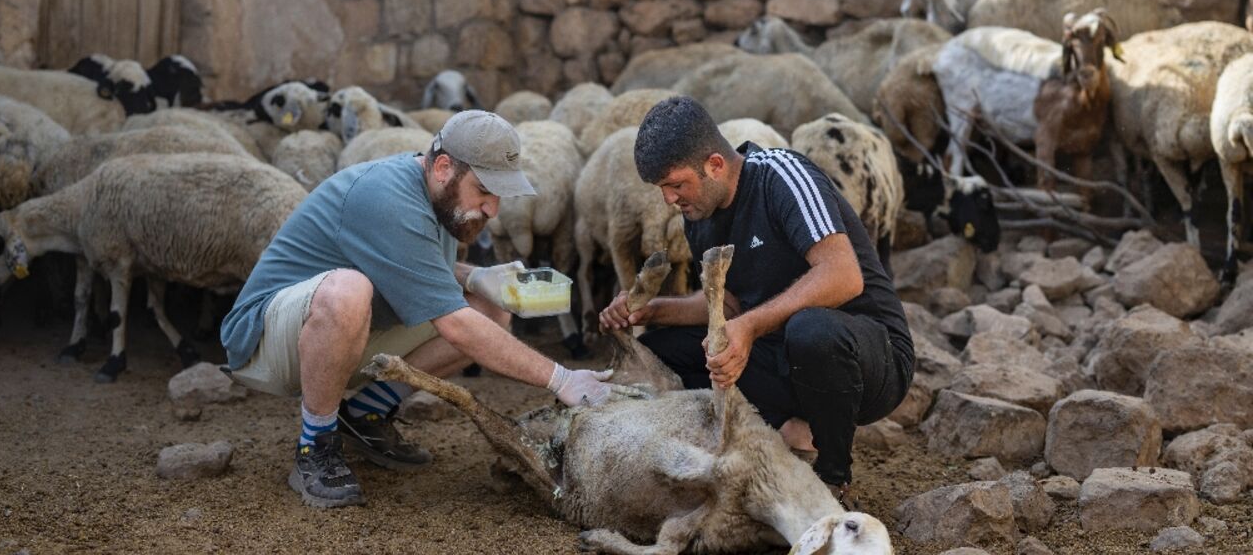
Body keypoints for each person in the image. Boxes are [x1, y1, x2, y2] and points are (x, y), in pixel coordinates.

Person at [221, 110, 614, 508]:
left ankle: (363, 416)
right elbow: (455, 327)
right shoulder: (385, 197)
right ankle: (315, 446)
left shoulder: (435, 195)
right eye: (484, 190)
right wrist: (562, 379)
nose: (493, 209)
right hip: (267, 341)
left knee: (490, 308)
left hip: (343, 332)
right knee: (349, 291)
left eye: (498, 195)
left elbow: (411, 261)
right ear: (443, 167)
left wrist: (475, 278)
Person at [598, 97, 913, 500]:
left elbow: (844, 276)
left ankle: (833, 476)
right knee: (658, 352)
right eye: (663, 189)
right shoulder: (699, 216)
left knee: (811, 329)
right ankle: (788, 428)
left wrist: (748, 326)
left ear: (714, 164)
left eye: (676, 185)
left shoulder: (781, 176)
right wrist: (649, 310)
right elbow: (727, 305)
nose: (669, 200)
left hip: (869, 360)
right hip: (784, 357)